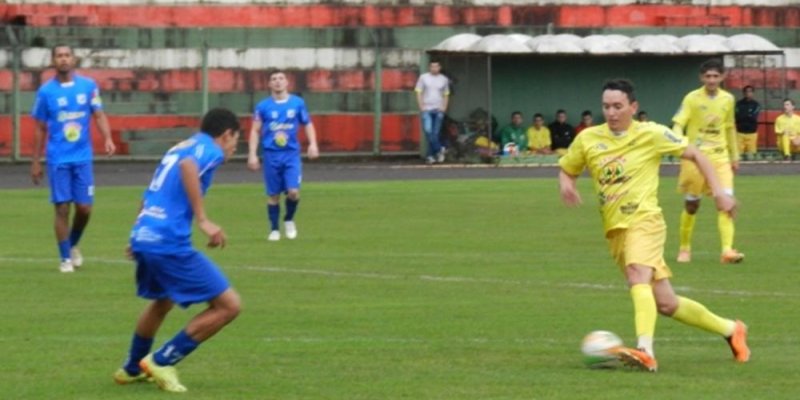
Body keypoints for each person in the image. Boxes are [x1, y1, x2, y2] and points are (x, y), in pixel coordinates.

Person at [558, 78, 750, 372]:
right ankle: (731, 329)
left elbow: (696, 154)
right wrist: (567, 185)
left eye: (618, 106)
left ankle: (645, 350)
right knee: (666, 304)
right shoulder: (588, 138)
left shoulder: (652, 134)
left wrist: (721, 193)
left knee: (637, 274)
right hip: (615, 230)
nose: (611, 112)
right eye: (606, 106)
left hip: (645, 220)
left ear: (633, 107)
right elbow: (567, 169)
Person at [114, 108, 242, 393]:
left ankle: (132, 368)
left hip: (146, 232)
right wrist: (204, 220)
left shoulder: (181, 145)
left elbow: (152, 190)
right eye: (236, 140)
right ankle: (161, 360)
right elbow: (187, 167)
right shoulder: (210, 150)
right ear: (226, 134)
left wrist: (138, 233)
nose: (235, 147)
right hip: (167, 240)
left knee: (162, 300)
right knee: (229, 305)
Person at [30, 44, 116, 273]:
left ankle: (73, 243)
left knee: (85, 208)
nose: (64, 59)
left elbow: (98, 114)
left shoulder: (88, 86)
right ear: (53, 61)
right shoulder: (46, 92)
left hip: (82, 157)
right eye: (59, 56)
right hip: (58, 158)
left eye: (67, 55)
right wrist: (36, 161)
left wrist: (107, 138)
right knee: (61, 209)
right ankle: (65, 259)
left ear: (74, 59)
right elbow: (39, 128)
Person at [673, 59, 743, 264]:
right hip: (696, 157)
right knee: (692, 204)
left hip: (720, 156)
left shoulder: (728, 99)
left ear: (722, 77)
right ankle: (684, 248)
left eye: (715, 76)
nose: (711, 80)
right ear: (701, 78)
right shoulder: (692, 99)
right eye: (708, 76)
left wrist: (735, 156)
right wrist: (680, 143)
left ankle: (727, 251)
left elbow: (729, 127)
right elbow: (678, 123)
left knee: (726, 202)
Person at [248, 70, 320, 241]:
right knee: (273, 195)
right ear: (269, 84)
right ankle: (274, 229)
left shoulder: (297, 103)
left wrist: (313, 143)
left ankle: (288, 219)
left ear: (287, 82)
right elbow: (255, 130)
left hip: (291, 155)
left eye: (281, 78)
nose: (278, 82)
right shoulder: (263, 106)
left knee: (293, 192)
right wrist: (252, 154)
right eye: (274, 79)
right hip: (271, 155)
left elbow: (307, 124)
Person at [415, 60, 450, 164]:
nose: (434, 68)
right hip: (427, 109)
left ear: (440, 67)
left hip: (439, 109)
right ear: (429, 67)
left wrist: (444, 107)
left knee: (435, 133)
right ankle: (440, 148)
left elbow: (446, 94)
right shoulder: (423, 77)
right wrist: (421, 105)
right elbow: (418, 91)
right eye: (432, 66)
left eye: (436, 66)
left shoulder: (444, 79)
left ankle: (430, 156)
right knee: (428, 130)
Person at [735, 85, 761, 161]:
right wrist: (747, 115)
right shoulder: (738, 104)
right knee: (739, 156)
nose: (748, 93)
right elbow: (737, 116)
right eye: (746, 91)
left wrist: (744, 115)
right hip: (740, 133)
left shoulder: (756, 104)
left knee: (751, 156)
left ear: (753, 93)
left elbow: (753, 117)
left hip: (752, 133)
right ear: (743, 93)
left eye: (750, 91)